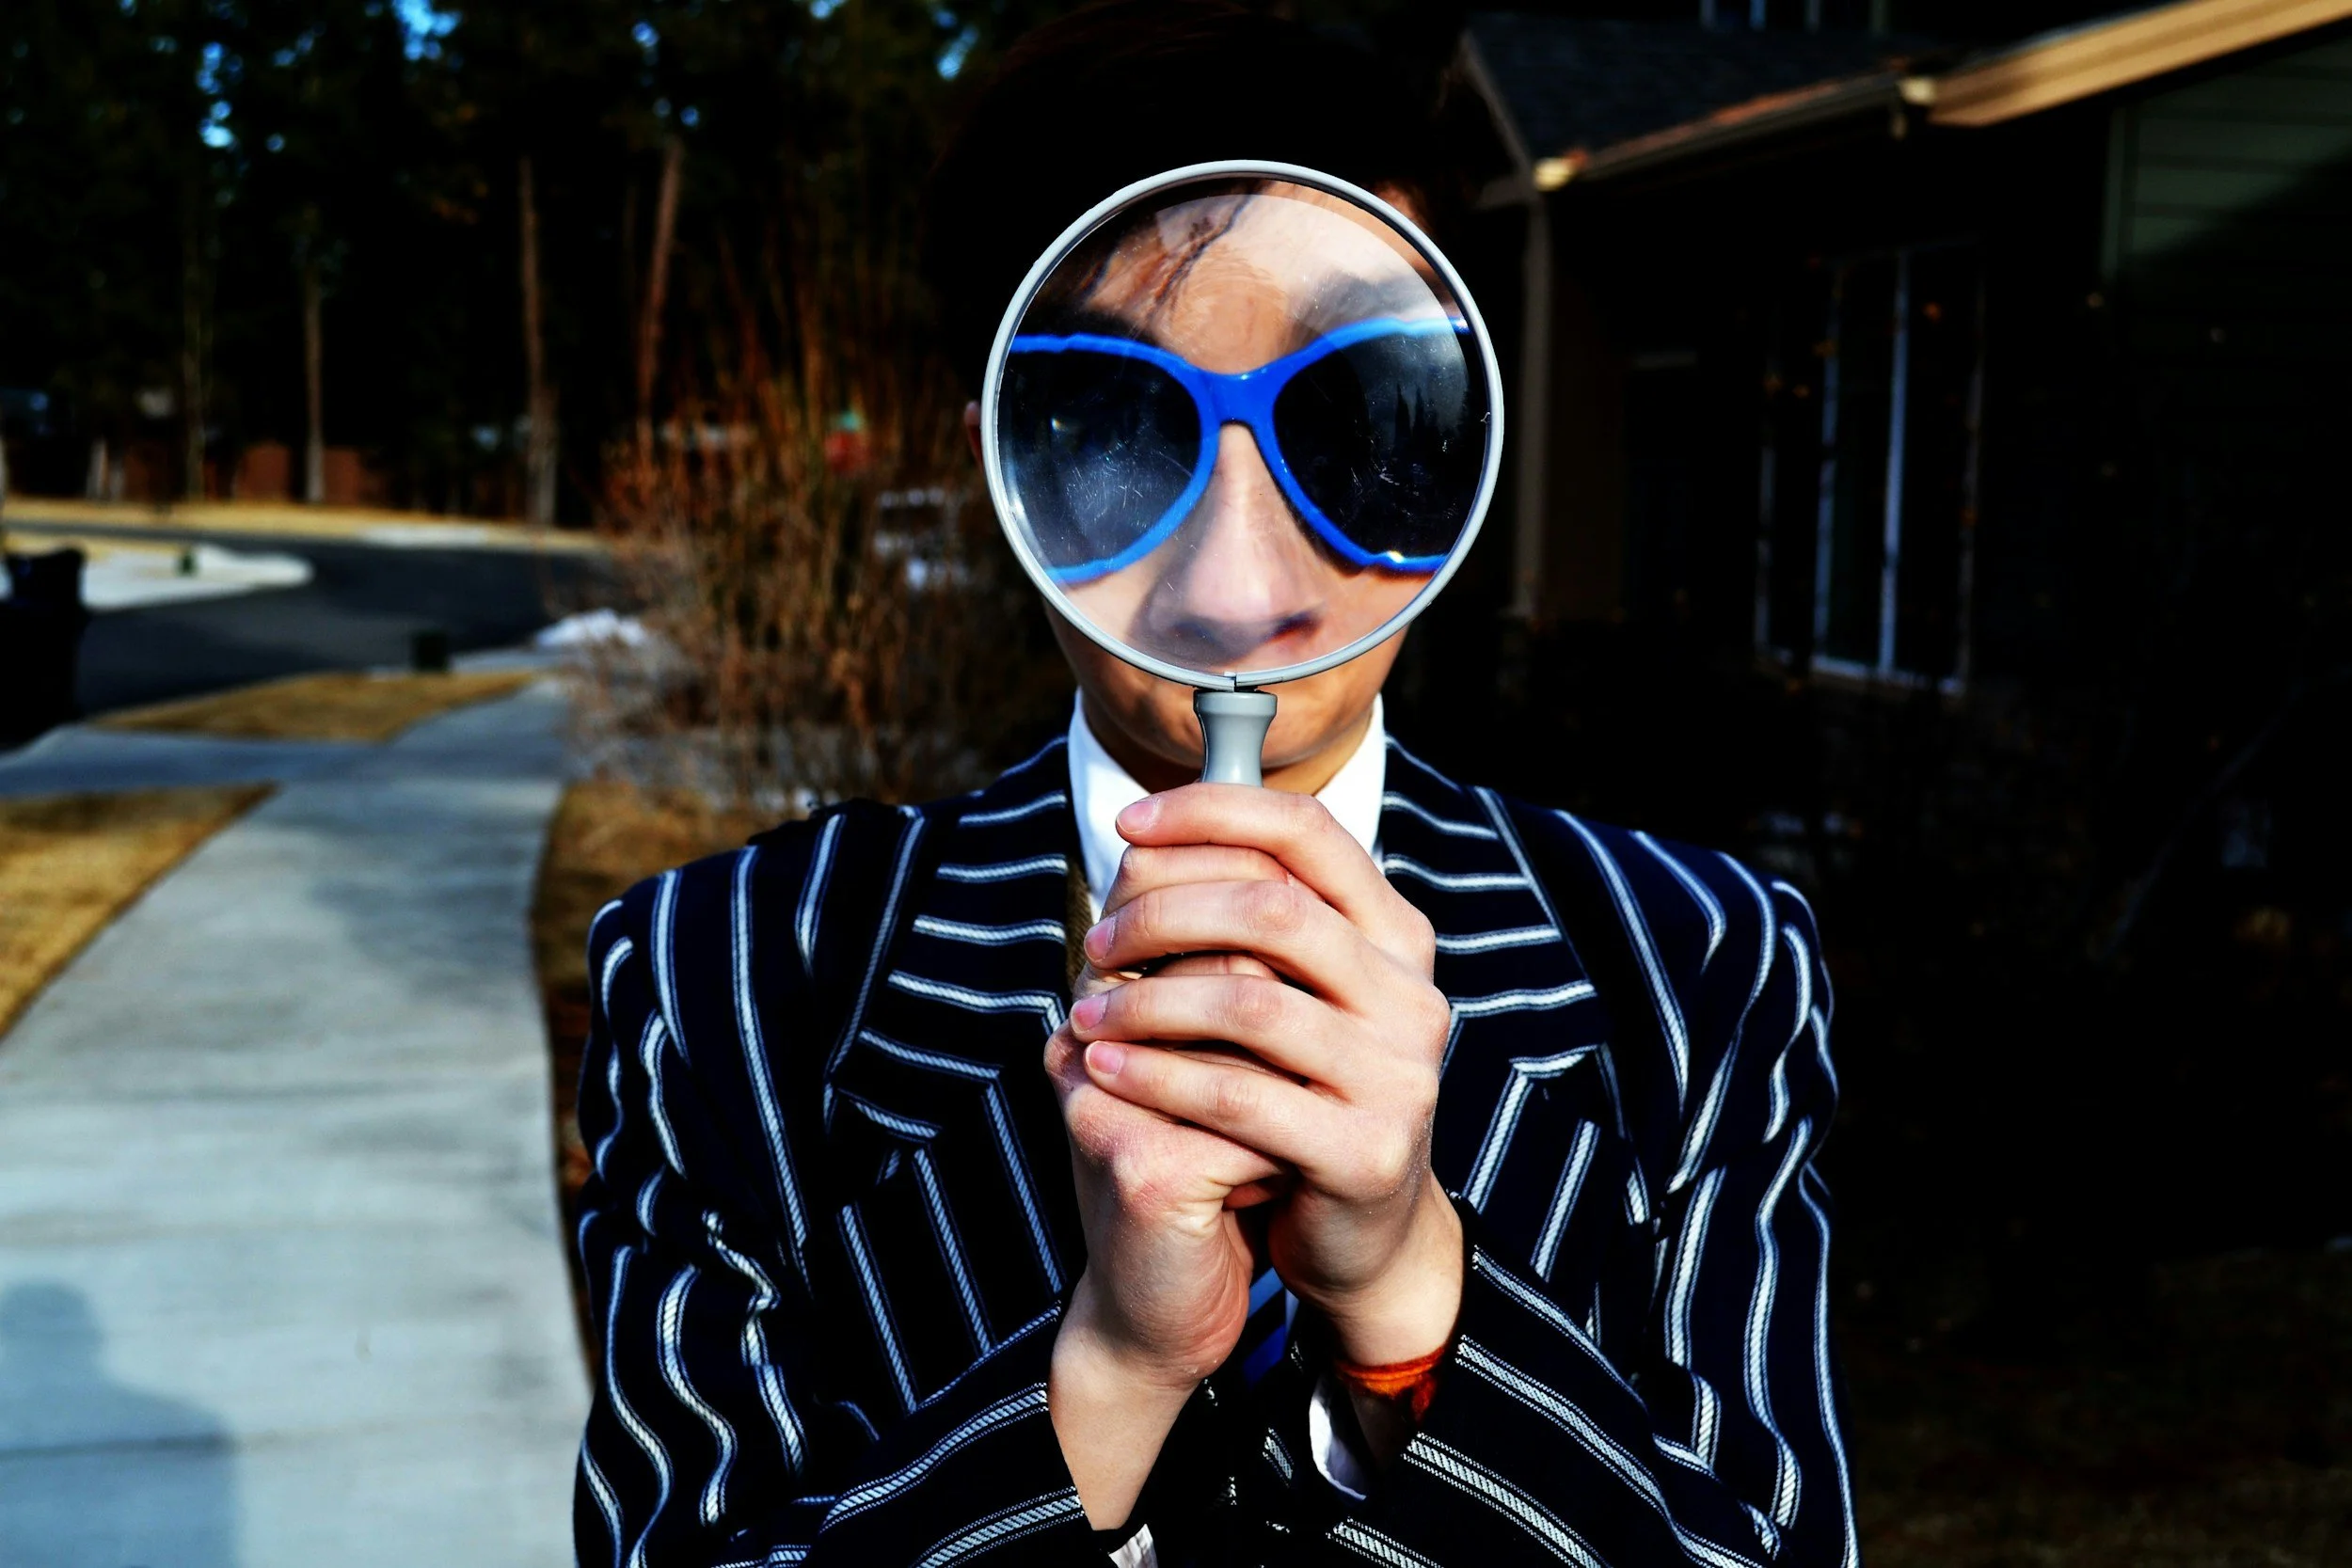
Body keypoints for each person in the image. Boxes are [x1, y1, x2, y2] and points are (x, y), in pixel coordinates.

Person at [572, 5, 1856, 1565]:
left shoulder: (1701, 970)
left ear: (1460, 433)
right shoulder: (726, 983)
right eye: (1119, 423)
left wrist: (1407, 1300)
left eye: (1352, 411)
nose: (1236, 584)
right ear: (1002, 471)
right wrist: (1107, 1370)